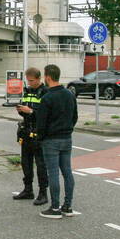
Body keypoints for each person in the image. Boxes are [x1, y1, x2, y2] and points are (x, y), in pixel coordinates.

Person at [33, 64, 78, 218]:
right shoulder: (70, 94)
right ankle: (68, 206)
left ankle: (55, 207)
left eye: (45, 76)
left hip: (51, 141)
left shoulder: (47, 98)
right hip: (67, 139)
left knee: (53, 173)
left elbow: (41, 123)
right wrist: (68, 129)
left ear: (48, 77)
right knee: (67, 172)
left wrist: (41, 138)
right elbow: (75, 117)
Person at [13, 67, 49, 205]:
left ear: (39, 79)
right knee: (26, 163)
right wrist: (21, 110)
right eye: (28, 81)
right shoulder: (27, 91)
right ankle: (28, 190)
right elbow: (26, 110)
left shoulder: (45, 92)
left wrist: (31, 111)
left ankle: (43, 193)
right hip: (26, 131)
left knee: (41, 165)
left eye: (32, 81)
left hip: (38, 133)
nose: (29, 83)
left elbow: (45, 114)